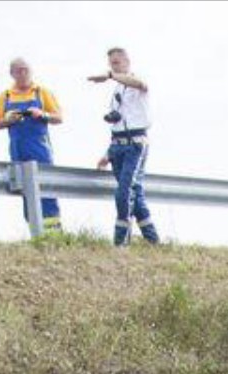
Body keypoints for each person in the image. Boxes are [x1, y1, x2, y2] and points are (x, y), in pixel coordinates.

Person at [89, 47, 160, 246]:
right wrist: (107, 154)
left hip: (135, 144)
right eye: (112, 63)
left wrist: (112, 76)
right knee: (134, 193)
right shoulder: (117, 90)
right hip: (117, 144)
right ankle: (152, 240)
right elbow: (117, 122)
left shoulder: (136, 81)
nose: (114, 66)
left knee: (124, 192)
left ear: (127, 61)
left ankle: (120, 241)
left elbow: (140, 84)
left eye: (118, 62)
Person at [0, 58, 64, 232]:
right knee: (26, 193)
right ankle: (36, 233)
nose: (23, 74)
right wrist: (8, 120)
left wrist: (42, 114)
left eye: (26, 70)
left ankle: (54, 234)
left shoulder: (41, 92)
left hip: (41, 150)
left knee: (47, 191)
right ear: (12, 73)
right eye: (18, 71)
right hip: (18, 151)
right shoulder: (6, 96)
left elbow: (59, 117)